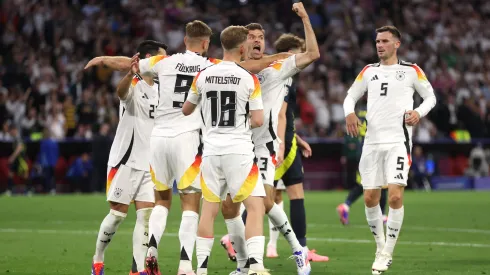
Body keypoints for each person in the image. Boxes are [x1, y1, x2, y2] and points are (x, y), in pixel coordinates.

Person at [87, 20, 289, 275]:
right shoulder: (209, 67)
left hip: (158, 139)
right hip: (188, 140)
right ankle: (186, 265)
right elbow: (252, 66)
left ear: (184, 40)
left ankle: (151, 250)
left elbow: (131, 63)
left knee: (161, 202)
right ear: (206, 44)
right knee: (191, 205)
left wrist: (103, 58)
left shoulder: (164, 62)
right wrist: (284, 56)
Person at [219, 4, 321, 275]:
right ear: (242, 43)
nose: (257, 41)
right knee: (229, 206)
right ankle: (244, 262)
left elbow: (313, 53)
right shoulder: (235, 69)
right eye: (251, 37)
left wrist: (305, 18)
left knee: (262, 203)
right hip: (235, 145)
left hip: (263, 146)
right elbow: (251, 66)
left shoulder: (278, 68)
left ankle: (296, 251)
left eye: (261, 38)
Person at [343, 26, 436, 274]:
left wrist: (418, 112)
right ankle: (380, 247)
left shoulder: (411, 71)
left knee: (394, 196)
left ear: (397, 44)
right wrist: (349, 113)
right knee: (370, 198)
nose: (379, 45)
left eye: (384, 41)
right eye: (377, 41)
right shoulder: (368, 71)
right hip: (371, 143)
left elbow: (430, 98)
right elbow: (350, 97)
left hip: (398, 141)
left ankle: (387, 253)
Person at [182, 25, 268, 275]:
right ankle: (256, 266)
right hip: (239, 151)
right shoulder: (248, 78)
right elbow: (259, 119)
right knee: (255, 207)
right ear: (242, 48)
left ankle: (201, 270)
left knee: (208, 211)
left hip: (210, 152)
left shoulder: (204, 75)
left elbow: (187, 110)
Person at [89, 40, 166, 275]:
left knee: (145, 216)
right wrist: (128, 74)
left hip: (150, 163)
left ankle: (138, 269)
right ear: (149, 60)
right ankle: (98, 259)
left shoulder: (164, 89)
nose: (165, 62)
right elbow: (121, 93)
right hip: (126, 159)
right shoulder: (134, 82)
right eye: (161, 58)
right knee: (116, 216)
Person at [337, 109, 388, 225]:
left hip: (363, 148)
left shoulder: (360, 112)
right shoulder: (377, 110)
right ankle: (382, 215)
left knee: (364, 184)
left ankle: (345, 206)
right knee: (383, 183)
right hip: (374, 147)